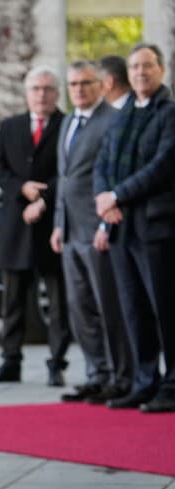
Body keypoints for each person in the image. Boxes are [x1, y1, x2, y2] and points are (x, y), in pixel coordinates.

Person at [94, 43, 175, 412]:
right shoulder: (121, 115)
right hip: (121, 227)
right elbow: (102, 162)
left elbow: (163, 165)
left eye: (148, 65)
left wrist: (117, 195)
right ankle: (145, 382)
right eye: (135, 67)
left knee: (165, 309)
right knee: (134, 309)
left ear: (161, 70)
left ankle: (171, 386)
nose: (141, 72)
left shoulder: (169, 114)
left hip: (156, 228)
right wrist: (104, 199)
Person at [0, 66, 68, 385]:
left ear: (56, 94)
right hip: (16, 227)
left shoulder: (66, 126)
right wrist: (21, 188)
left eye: (47, 89)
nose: (41, 95)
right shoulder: (10, 126)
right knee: (13, 301)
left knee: (58, 303)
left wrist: (44, 196)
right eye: (36, 89)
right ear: (27, 93)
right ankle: (10, 362)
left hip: (53, 225)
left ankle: (56, 364)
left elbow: (71, 172)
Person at [50, 61, 129, 403]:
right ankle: (96, 374)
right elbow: (64, 178)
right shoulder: (68, 121)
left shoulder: (113, 120)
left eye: (85, 83)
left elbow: (113, 176)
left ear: (102, 85)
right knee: (79, 307)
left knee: (107, 306)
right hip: (70, 231)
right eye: (73, 84)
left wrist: (105, 224)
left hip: (98, 230)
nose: (79, 90)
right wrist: (58, 223)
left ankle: (118, 376)